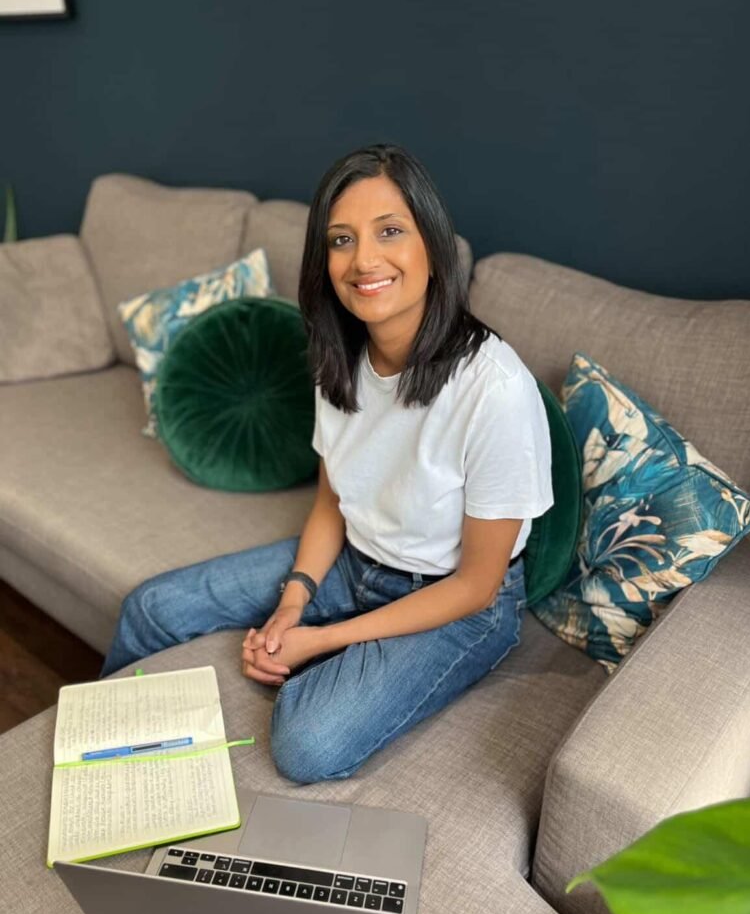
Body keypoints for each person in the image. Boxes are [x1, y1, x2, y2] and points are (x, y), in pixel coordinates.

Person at [103, 144, 553, 783]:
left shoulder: (495, 389)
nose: (364, 259)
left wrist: (317, 640)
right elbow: (331, 502)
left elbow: (476, 585)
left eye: (389, 232)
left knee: (307, 743)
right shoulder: (339, 357)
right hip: (354, 563)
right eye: (342, 240)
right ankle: (99, 767)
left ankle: (331, 662)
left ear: (432, 246)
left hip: (456, 601)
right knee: (150, 608)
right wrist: (293, 603)